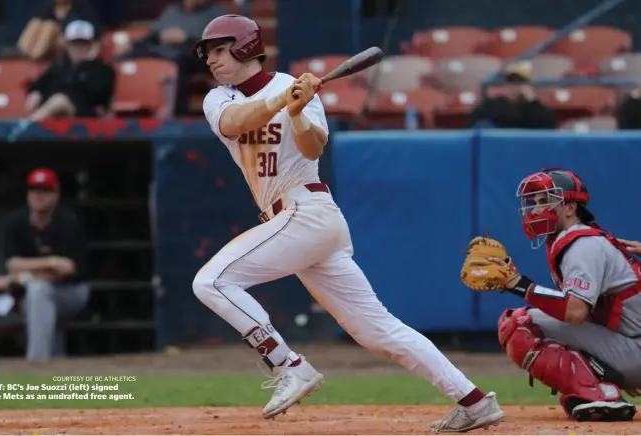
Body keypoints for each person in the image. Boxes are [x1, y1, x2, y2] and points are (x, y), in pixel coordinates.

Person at [190, 14, 505, 432]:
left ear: (246, 46)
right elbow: (236, 123)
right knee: (377, 331)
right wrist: (283, 101)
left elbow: (313, 145)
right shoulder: (220, 99)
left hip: (307, 211)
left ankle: (289, 366)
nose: (211, 60)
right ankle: (474, 401)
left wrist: (299, 112)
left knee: (211, 282)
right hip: (296, 223)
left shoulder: (295, 89)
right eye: (208, 53)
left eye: (218, 49)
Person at [464, 168, 640, 421]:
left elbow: (575, 312)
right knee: (536, 319)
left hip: (634, 347)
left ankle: (602, 394)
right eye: (534, 203)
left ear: (570, 208)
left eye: (545, 201)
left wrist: (519, 284)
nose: (535, 210)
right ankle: (604, 386)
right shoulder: (578, 241)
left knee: (519, 324)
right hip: (631, 344)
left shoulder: (583, 245)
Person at [2, 168, 90, 360]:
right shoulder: (15, 221)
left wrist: (25, 275)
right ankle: (55, 366)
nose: (38, 195)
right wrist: (50, 261)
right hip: (32, 296)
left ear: (56, 194)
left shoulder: (68, 222)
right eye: (34, 190)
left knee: (38, 290)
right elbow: (12, 265)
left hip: (71, 293)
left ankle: (36, 363)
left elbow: (68, 270)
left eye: (44, 190)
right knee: (38, 294)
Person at [26, 19, 116, 121]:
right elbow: (38, 84)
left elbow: (97, 96)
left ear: (92, 44)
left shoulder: (103, 70)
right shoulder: (58, 67)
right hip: (53, 118)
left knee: (60, 102)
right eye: (75, 43)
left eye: (84, 43)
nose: (79, 47)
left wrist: (88, 63)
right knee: (56, 103)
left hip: (84, 117)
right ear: (67, 45)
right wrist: (35, 91)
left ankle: (26, 130)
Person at [468, 62, 556, 129]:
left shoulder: (539, 109)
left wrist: (531, 101)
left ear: (529, 86)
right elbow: (473, 124)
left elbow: (546, 127)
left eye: (519, 83)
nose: (514, 87)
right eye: (511, 82)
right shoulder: (490, 105)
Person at [17, 0, 98, 61]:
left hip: (70, 44)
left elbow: (95, 35)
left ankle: (34, 56)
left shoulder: (81, 7)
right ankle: (25, 53)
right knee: (36, 23)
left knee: (50, 27)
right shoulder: (49, 7)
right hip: (47, 47)